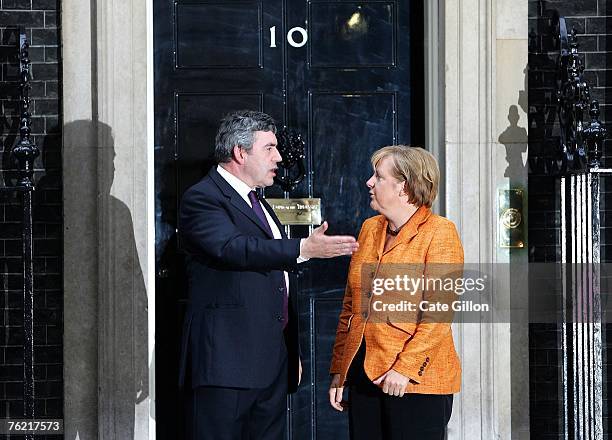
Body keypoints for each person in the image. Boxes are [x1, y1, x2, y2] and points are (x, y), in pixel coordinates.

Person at [179, 110, 359, 440]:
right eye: (269, 148)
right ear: (239, 152)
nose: (279, 157)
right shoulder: (203, 198)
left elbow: (279, 285)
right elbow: (233, 248)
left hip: (272, 365)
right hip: (226, 366)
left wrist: (292, 353)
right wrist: (302, 248)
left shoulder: (260, 203)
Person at [328, 145, 463, 440]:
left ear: (403, 187)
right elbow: (351, 306)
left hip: (415, 381)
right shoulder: (369, 229)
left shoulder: (440, 232)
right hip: (363, 375)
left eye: (378, 176)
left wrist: (405, 368)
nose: (369, 182)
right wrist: (341, 370)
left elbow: (439, 313)